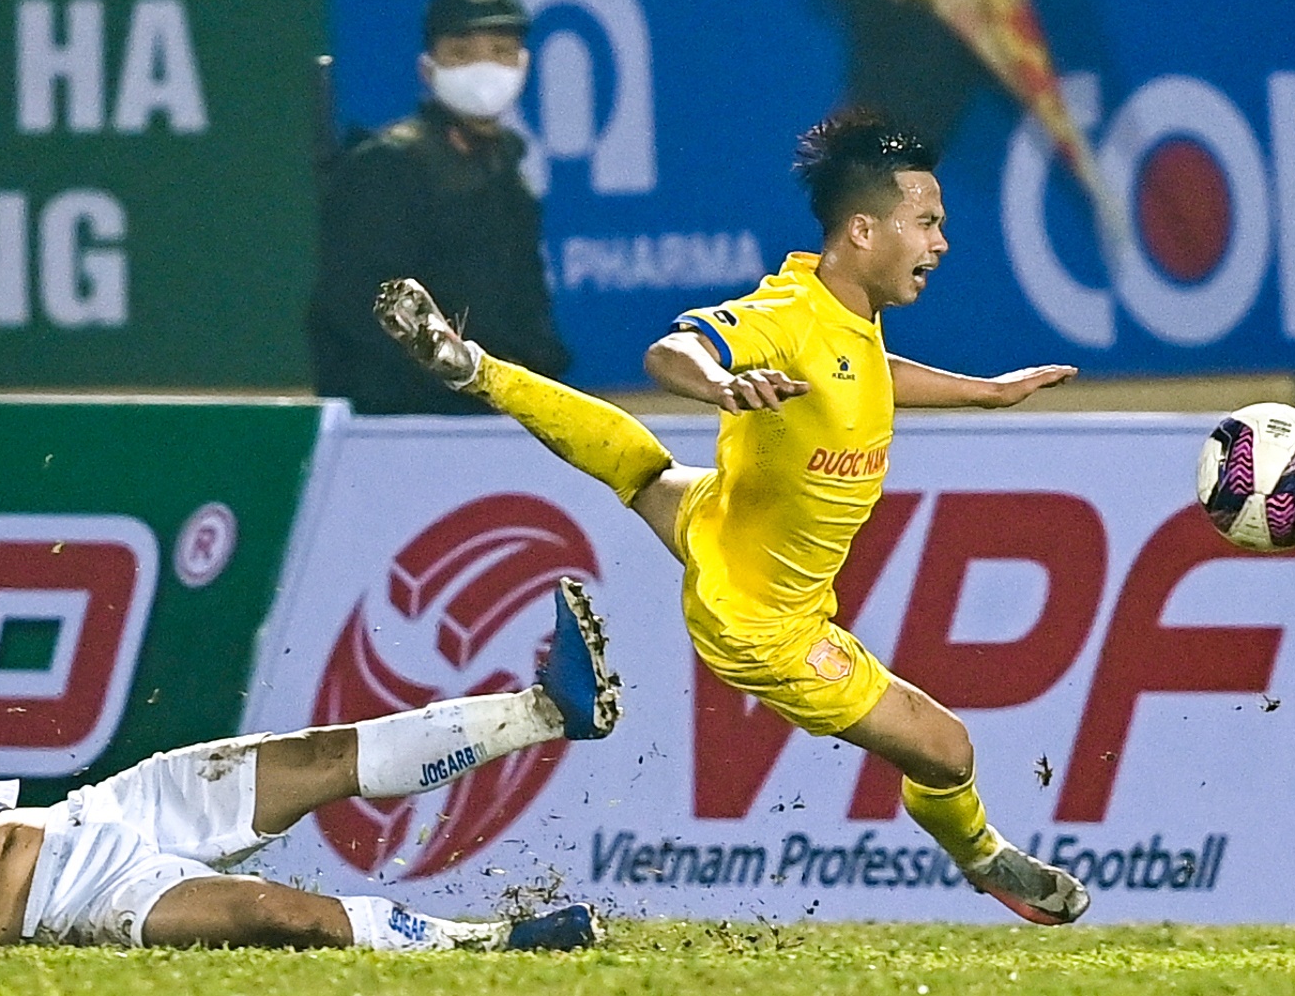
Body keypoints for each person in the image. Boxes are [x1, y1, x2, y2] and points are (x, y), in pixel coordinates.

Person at [374, 109, 1091, 925]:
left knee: (637, 465)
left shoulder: (843, 317)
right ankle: (984, 856)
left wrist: (986, 391)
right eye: (926, 222)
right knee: (948, 749)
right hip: (767, 626)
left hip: (721, 519)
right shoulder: (786, 315)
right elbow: (671, 351)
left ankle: (475, 369)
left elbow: (866, 369)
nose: (941, 242)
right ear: (863, 230)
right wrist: (716, 381)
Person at [0, 581, 622, 950]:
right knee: (276, 919)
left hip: (96, 811)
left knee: (314, 757)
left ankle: (544, 709)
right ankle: (490, 948)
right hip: (78, 894)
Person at [307, 0, 570, 414]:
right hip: (404, 419)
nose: (484, 67)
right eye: (462, 52)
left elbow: (528, 315)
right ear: (428, 68)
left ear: (523, 64)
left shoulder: (508, 170)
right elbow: (359, 313)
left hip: (491, 411)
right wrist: (456, 377)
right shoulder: (389, 166)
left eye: (502, 51)